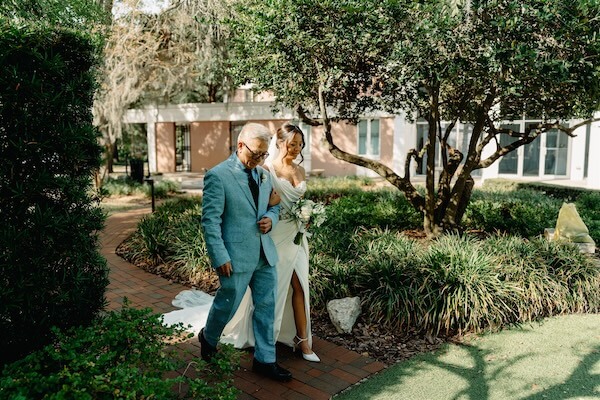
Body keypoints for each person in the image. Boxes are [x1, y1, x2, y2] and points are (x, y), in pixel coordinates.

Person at [198, 122, 292, 382]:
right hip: (234, 257)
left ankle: (265, 360)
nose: (260, 160)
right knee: (227, 305)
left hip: (264, 254)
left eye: (264, 154)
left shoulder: (263, 174)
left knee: (266, 307)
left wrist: (271, 218)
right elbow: (210, 221)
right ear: (240, 145)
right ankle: (209, 337)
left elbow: (273, 206)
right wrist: (220, 256)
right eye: (256, 153)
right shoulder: (218, 176)